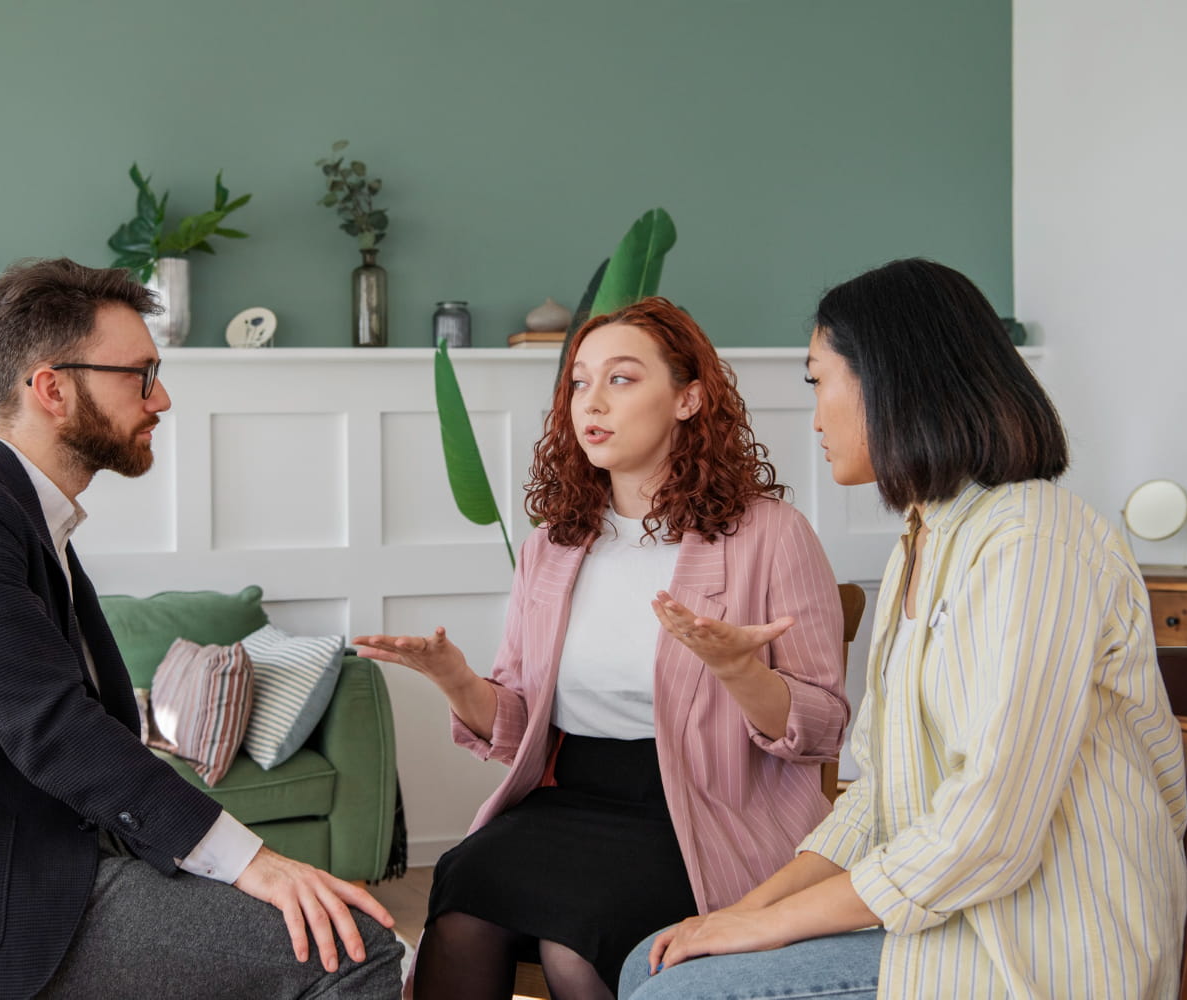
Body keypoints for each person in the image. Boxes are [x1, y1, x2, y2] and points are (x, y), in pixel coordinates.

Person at [0, 258, 403, 999]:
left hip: (46, 867)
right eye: (140, 376)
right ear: (53, 388)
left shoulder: (28, 523)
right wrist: (254, 863)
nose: (164, 399)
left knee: (318, 926)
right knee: (357, 947)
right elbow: (54, 727)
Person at [619, 259, 1187, 999]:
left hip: (1042, 946)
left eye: (819, 382)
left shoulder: (1034, 541)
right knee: (655, 961)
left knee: (677, 992)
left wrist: (767, 929)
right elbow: (878, 797)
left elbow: (988, 828)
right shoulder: (924, 538)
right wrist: (741, 912)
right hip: (950, 919)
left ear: (893, 381)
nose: (816, 416)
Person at [354, 297, 848, 1000]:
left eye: (621, 379)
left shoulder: (771, 534)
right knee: (460, 907)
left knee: (574, 943)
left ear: (688, 398)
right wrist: (457, 679)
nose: (594, 401)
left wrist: (742, 673)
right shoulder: (552, 548)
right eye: (581, 382)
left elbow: (822, 727)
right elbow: (518, 725)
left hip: (702, 811)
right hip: (570, 799)